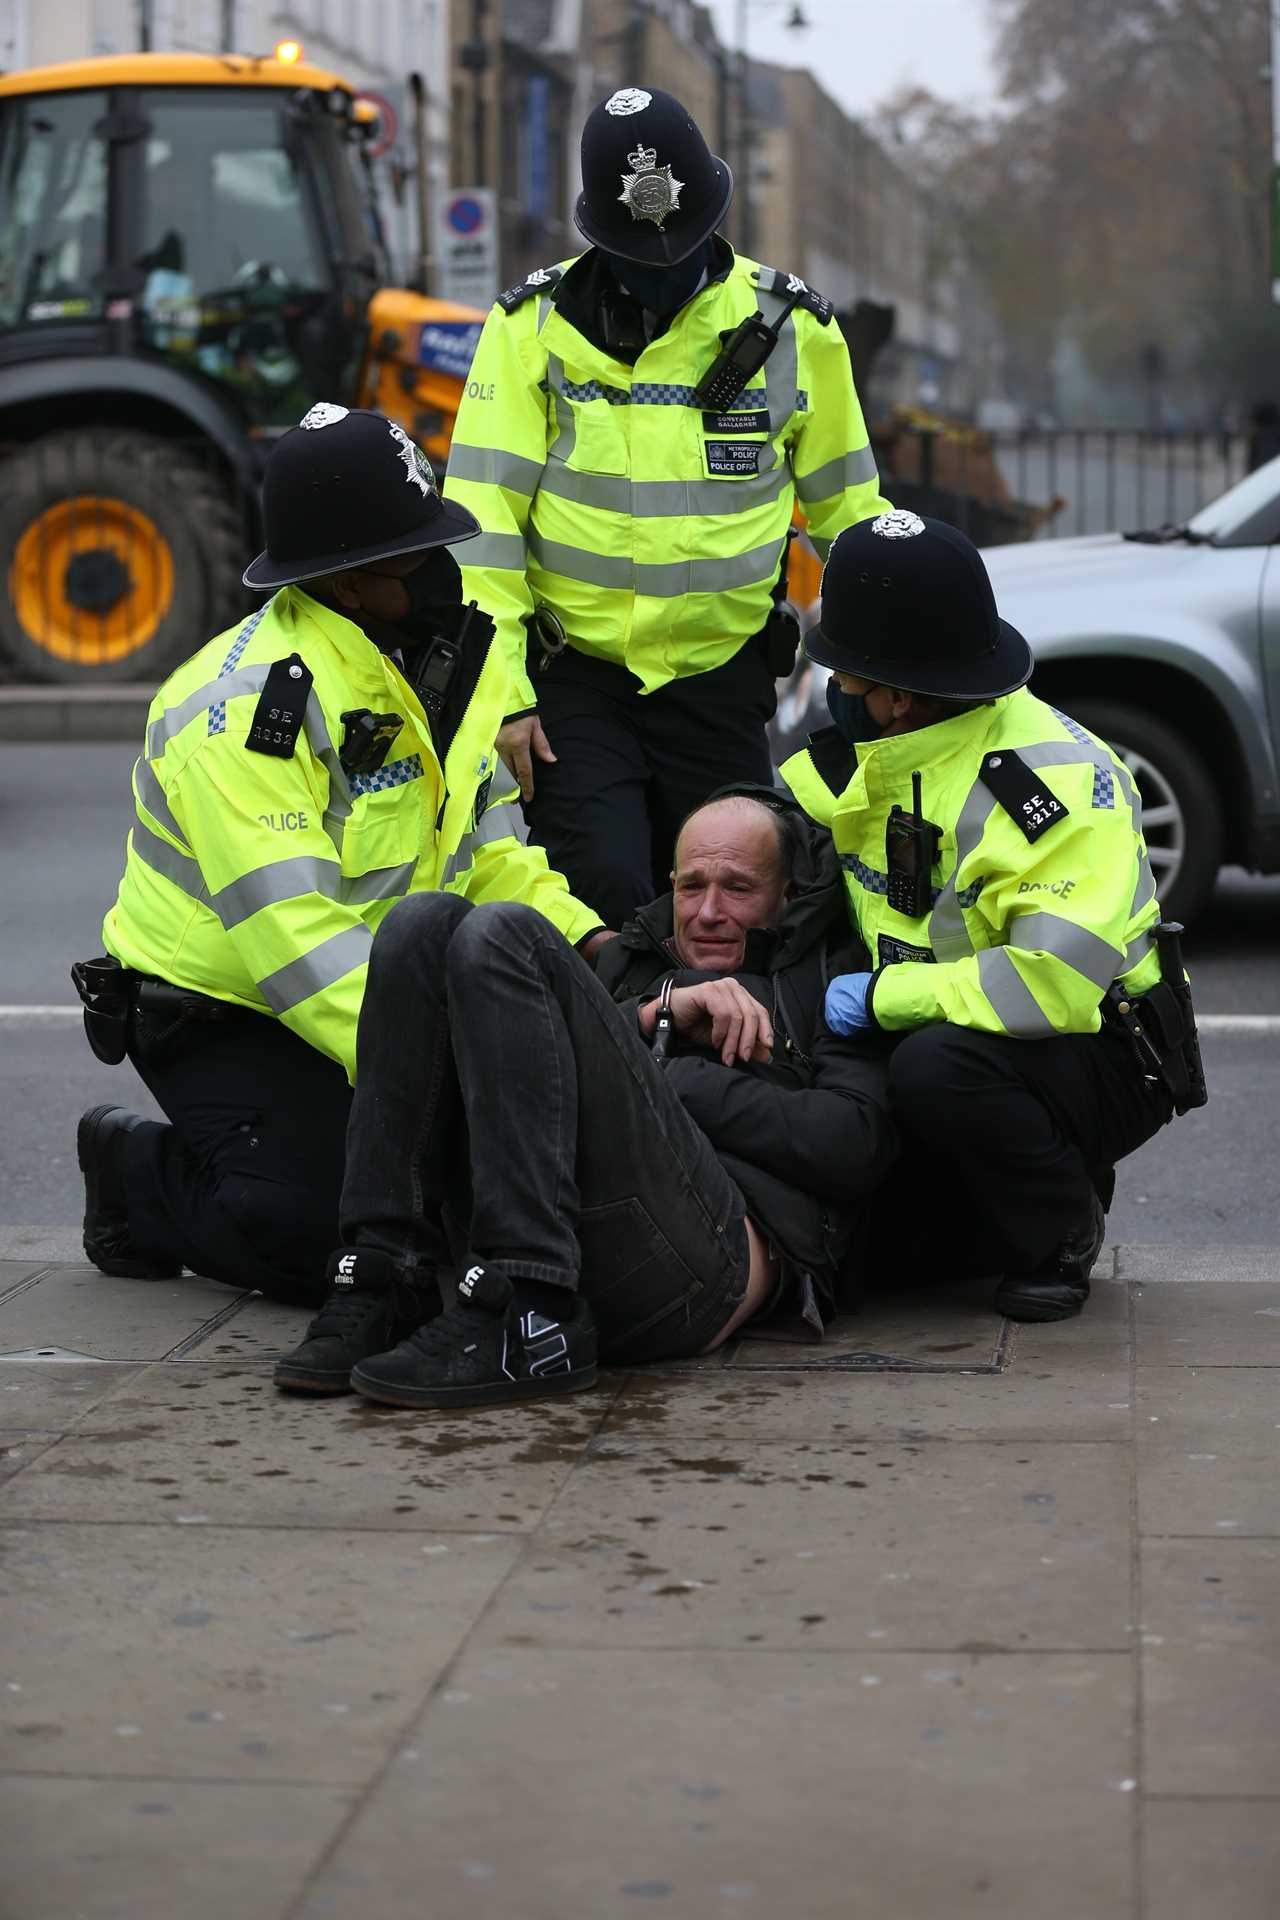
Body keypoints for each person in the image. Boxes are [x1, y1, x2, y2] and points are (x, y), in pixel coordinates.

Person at [74, 405, 603, 1305]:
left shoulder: (446, 666)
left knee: (480, 1188)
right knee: (323, 1236)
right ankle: (134, 1175)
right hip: (222, 1011)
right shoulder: (241, 710)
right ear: (347, 584)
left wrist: (592, 956)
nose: (442, 573)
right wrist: (447, 1057)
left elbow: (492, 856)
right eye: (415, 558)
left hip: (376, 997)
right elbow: (295, 942)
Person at [272, 789, 897, 1405]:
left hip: (708, 1266)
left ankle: (533, 1312)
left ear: (786, 894)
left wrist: (666, 1074)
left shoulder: (829, 976)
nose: (708, 911)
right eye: (690, 886)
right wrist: (657, 1017)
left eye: (737, 888)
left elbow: (853, 1142)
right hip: (570, 1229)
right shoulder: (629, 963)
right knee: (420, 922)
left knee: (505, 930)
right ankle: (387, 1280)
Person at [444, 85, 891, 927]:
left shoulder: (793, 331)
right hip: (577, 680)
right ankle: (615, 1052)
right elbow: (482, 522)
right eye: (643, 260)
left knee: (735, 901)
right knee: (605, 888)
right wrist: (506, 696)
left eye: (682, 250)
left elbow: (848, 515)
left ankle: (720, 1054)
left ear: (713, 214)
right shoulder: (528, 328)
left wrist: (890, 664)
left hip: (720, 677)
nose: (665, 274)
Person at [780, 510, 1201, 1323]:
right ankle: (1007, 1184)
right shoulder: (884, 752)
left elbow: (1052, 988)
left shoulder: (1054, 783)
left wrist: (878, 1001)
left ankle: (1062, 1228)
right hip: (953, 1025)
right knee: (884, 1257)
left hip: (1100, 1045)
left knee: (935, 1069)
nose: (837, 692)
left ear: (897, 698)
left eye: (849, 679)